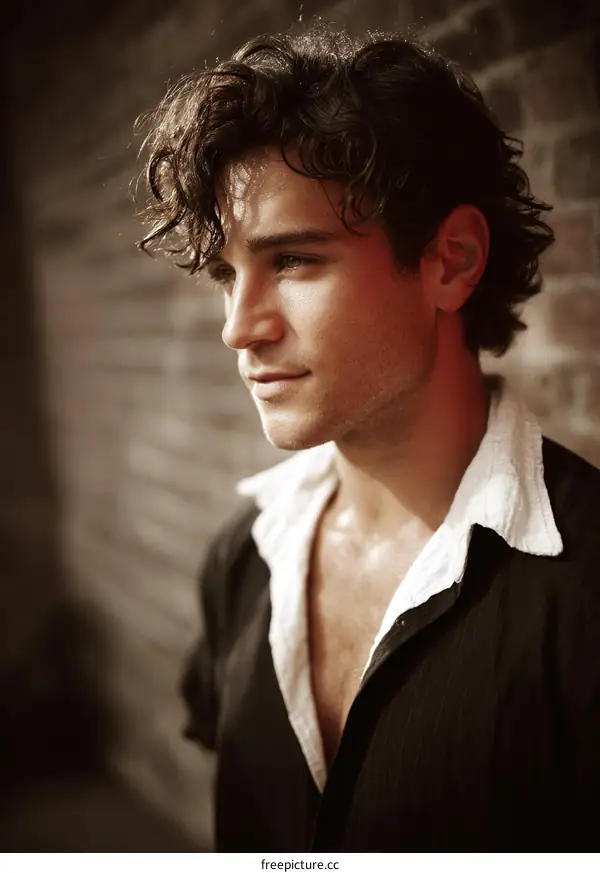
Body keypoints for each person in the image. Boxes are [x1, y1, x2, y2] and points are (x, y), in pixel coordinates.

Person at [136, 21, 600, 851]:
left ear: (451, 260)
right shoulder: (242, 556)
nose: (238, 329)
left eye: (293, 261)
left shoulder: (586, 587)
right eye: (226, 276)